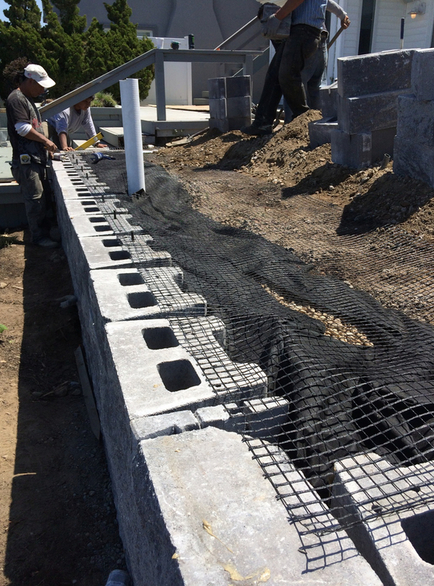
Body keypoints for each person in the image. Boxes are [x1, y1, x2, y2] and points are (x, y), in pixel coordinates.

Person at [243, 0, 349, 136]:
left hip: (304, 31)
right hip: (301, 31)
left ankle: (302, 117)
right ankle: (262, 122)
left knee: (288, 76)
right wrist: (342, 14)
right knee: (274, 75)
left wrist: (277, 17)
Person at [6, 64, 59, 248]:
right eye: (41, 85)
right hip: (25, 161)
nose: (43, 89)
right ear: (30, 81)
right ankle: (38, 237)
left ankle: (44, 233)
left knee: (42, 198)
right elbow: (23, 129)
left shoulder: (27, 99)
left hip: (35, 159)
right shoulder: (16, 99)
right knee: (35, 198)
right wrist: (46, 141)